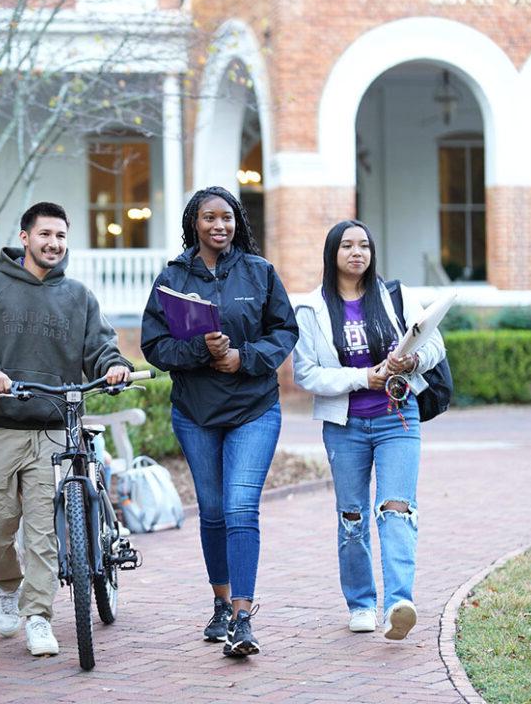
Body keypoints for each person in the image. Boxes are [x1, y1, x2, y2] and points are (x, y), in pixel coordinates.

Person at [0, 201, 132, 657]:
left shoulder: (78, 296)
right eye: (46, 234)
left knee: (43, 531)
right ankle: (8, 588)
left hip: (55, 428)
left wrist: (113, 367)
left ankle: (38, 616)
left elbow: (102, 348)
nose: (54, 244)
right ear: (26, 236)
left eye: (61, 236)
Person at [140, 186, 299, 658]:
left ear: (237, 222)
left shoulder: (259, 271)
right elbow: (155, 346)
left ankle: (244, 617)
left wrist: (243, 357)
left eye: (226, 217)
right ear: (194, 222)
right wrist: (199, 352)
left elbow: (285, 330)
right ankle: (222, 602)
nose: (219, 226)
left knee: (240, 507)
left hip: (253, 407)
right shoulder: (172, 277)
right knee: (211, 509)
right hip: (196, 413)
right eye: (209, 217)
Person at [291, 219, 445, 640]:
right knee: (352, 516)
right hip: (345, 425)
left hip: (398, 417)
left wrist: (412, 361)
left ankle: (399, 601)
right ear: (332, 254)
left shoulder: (396, 297)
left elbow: (434, 344)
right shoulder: (312, 309)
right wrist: (363, 378)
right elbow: (306, 373)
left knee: (397, 509)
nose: (357, 252)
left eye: (364, 245)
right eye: (347, 246)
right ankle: (361, 603)